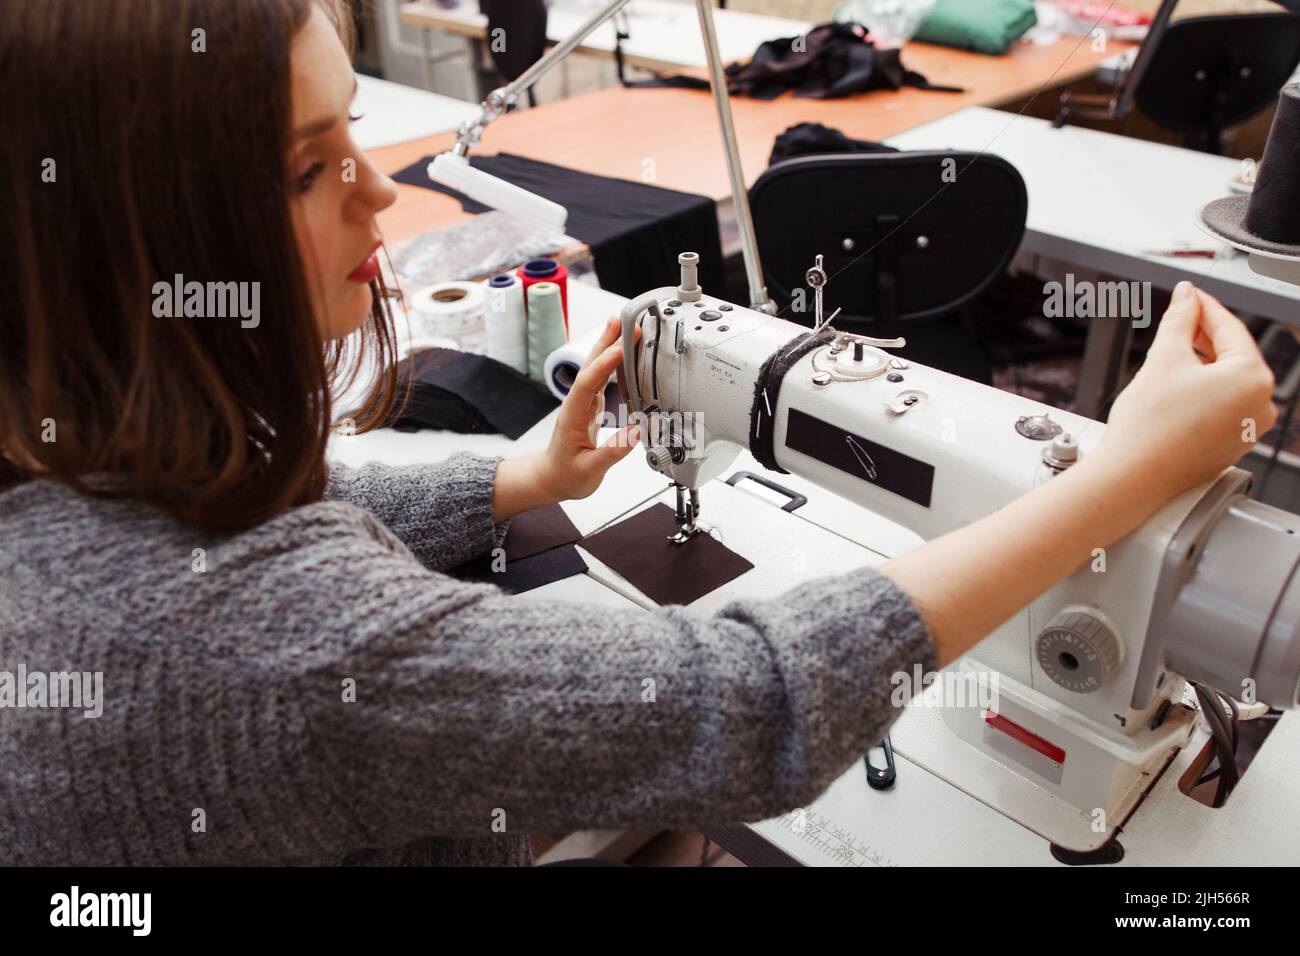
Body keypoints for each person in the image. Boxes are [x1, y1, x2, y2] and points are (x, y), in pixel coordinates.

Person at [0, 0, 1276, 867]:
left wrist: (518, 474)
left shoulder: (53, 471)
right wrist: (1121, 477)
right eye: (303, 167)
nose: (383, 191)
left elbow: (246, 511)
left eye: (354, 133)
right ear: (139, 248)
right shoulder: (291, 657)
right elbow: (748, 707)